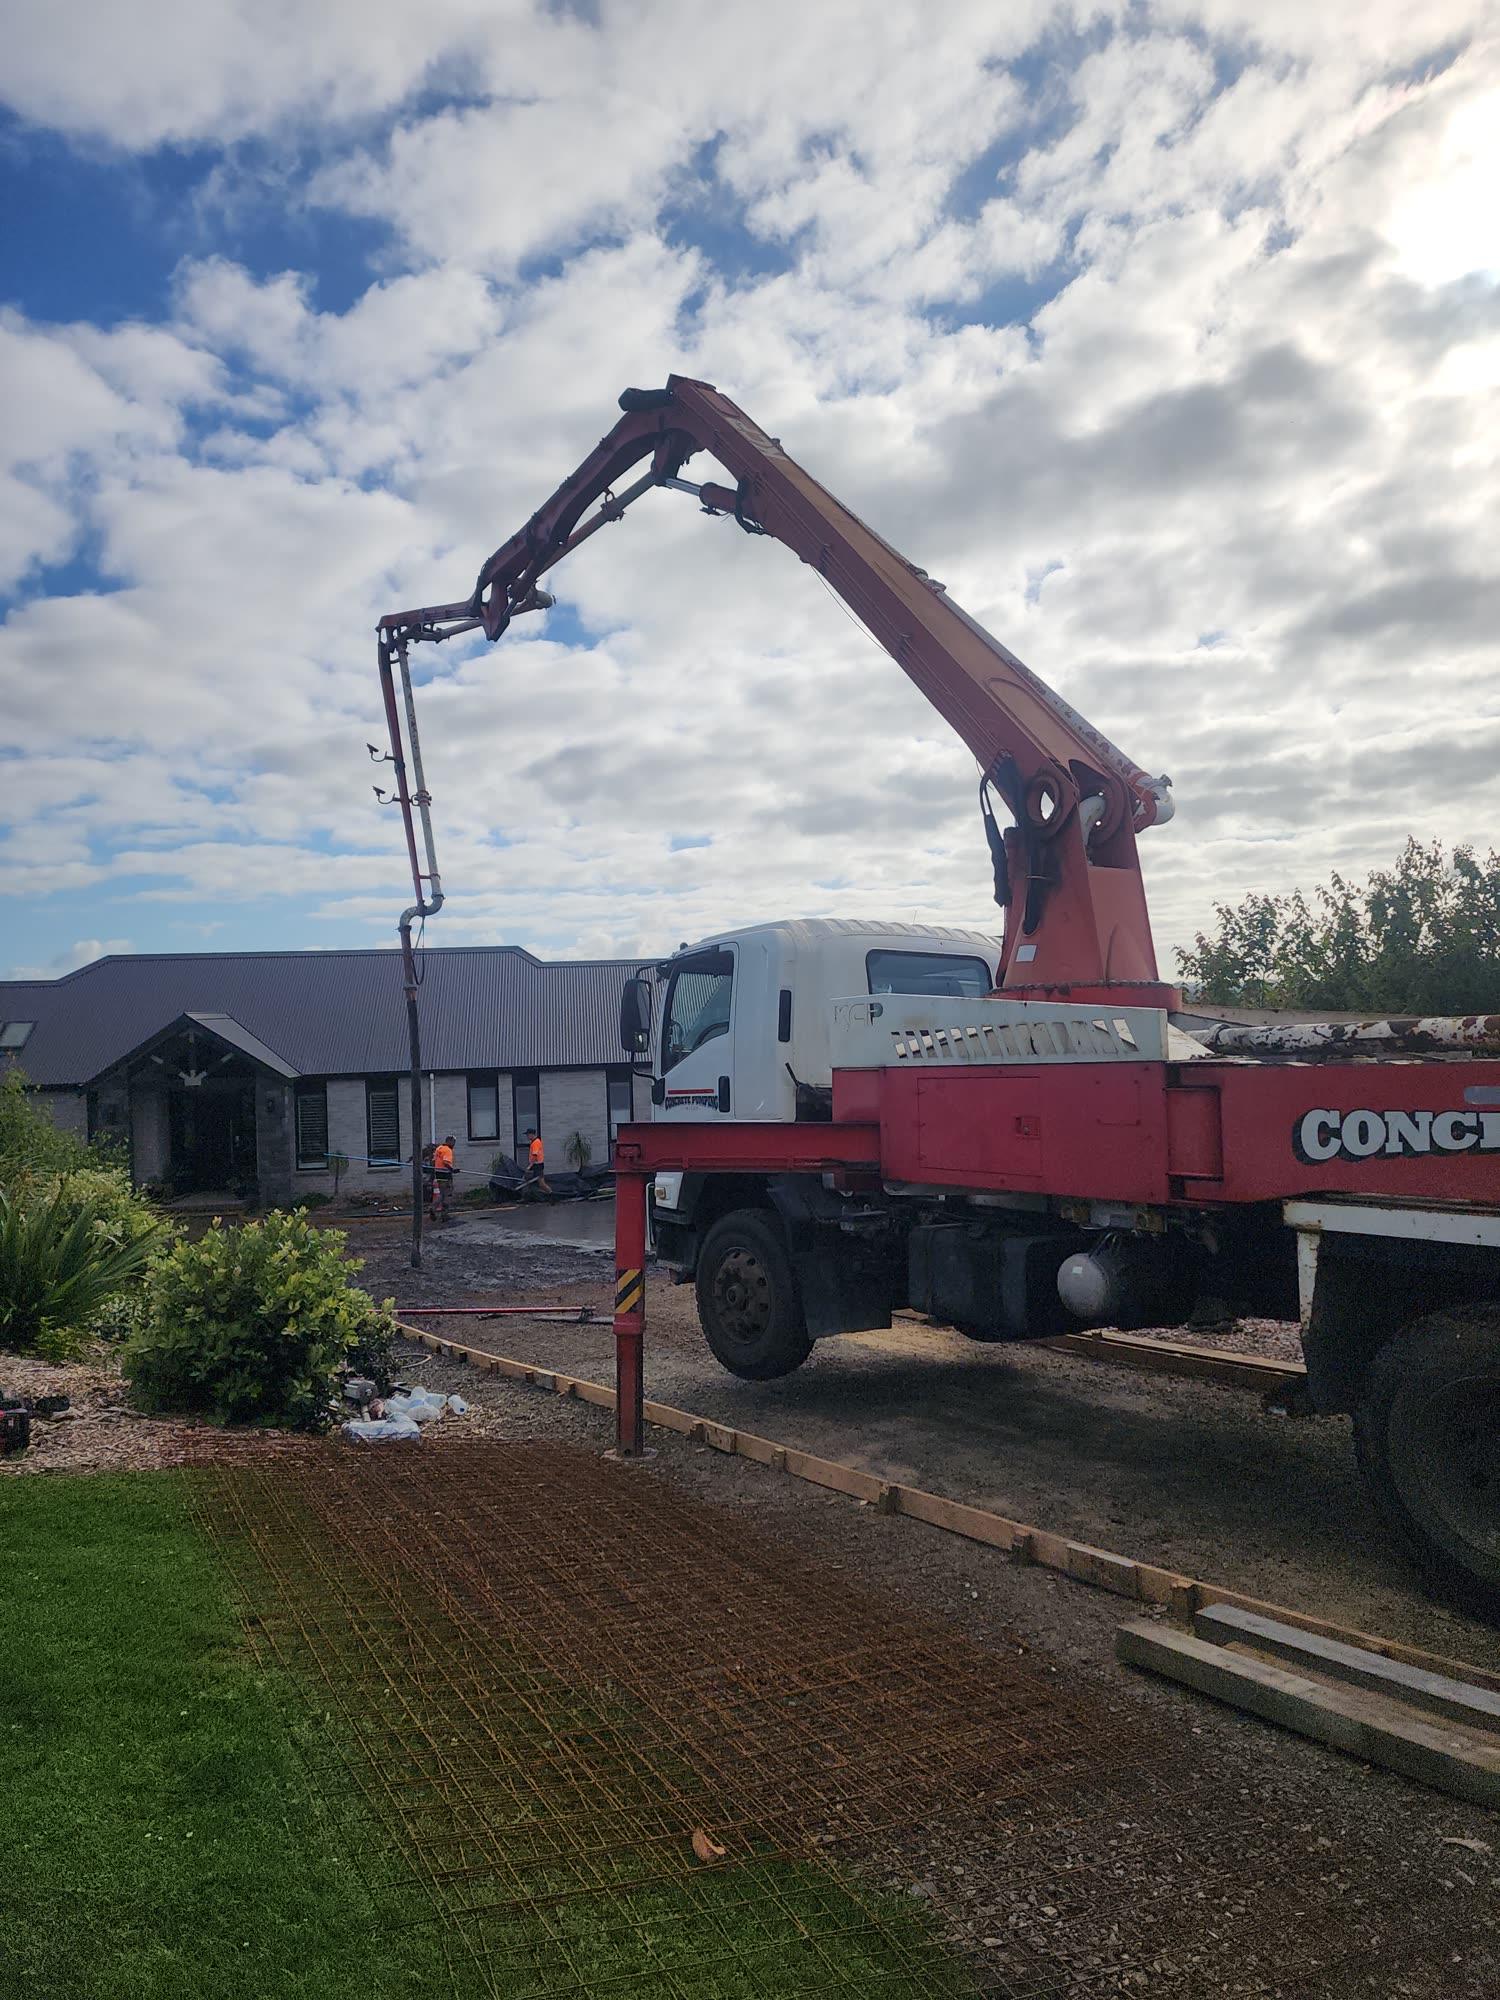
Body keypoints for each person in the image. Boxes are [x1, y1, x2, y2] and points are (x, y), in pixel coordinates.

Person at [431, 1134, 456, 1221]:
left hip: (438, 1173)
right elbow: (446, 1162)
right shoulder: (448, 1150)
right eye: (453, 1142)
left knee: (441, 1194)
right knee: (447, 1194)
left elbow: (434, 1161)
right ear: (450, 1142)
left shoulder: (439, 1148)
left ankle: (433, 1208)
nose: (454, 1145)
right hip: (446, 1174)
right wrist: (452, 1170)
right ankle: (444, 1215)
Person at [523, 1126, 551, 1199]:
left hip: (537, 1165)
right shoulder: (534, 1142)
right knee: (531, 1181)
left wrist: (529, 1166)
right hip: (536, 1165)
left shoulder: (536, 1142)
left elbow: (535, 1156)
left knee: (541, 1184)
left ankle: (552, 1195)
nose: (527, 1136)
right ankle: (528, 1196)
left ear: (531, 1134)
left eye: (528, 1135)